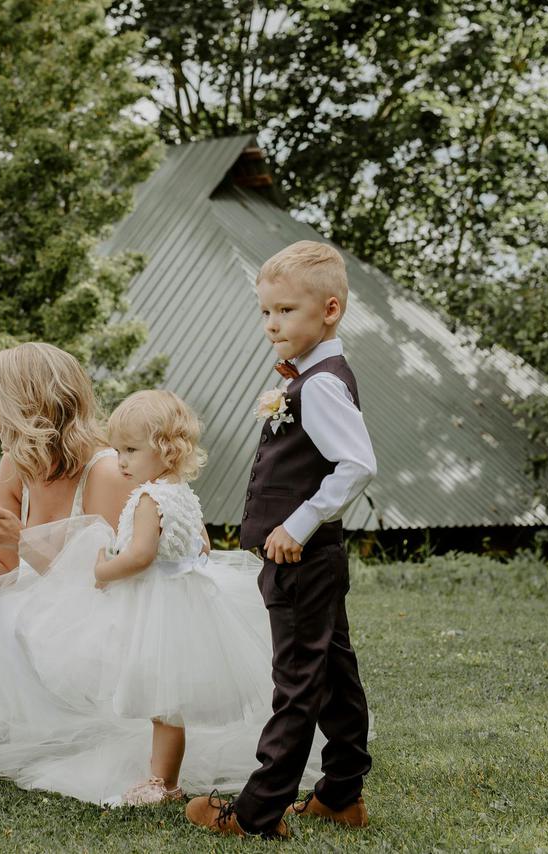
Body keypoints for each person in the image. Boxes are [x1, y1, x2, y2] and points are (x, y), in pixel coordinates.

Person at [0, 346, 319, 805]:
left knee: (24, 630)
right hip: (43, 599)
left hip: (111, 609)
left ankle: (149, 766)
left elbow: (105, 581)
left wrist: (23, 540)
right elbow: (2, 572)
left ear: (30, 410)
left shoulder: (108, 470)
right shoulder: (14, 465)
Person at [187, 240, 377, 838]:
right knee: (334, 675)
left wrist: (296, 524)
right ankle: (341, 794)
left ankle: (256, 813)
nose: (272, 324)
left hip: (300, 555)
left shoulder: (318, 384)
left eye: (286, 310)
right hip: (316, 559)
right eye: (266, 311)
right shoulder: (313, 376)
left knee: (296, 683)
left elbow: (357, 465)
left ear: (330, 310)